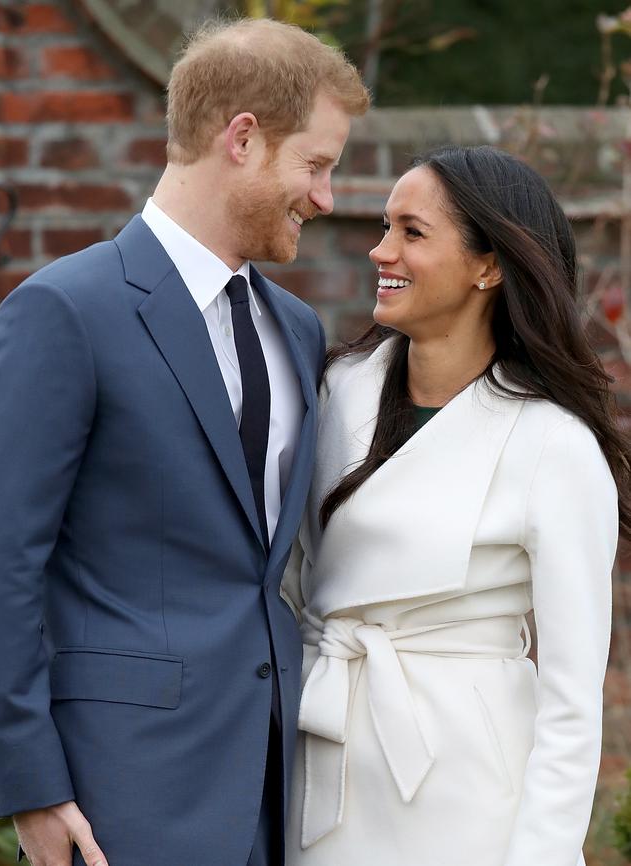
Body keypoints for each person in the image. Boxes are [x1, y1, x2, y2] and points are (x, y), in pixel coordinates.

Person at [0, 17, 369, 866]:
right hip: (118, 794)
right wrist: (31, 786)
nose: (327, 198)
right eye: (316, 164)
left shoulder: (296, 329)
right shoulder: (64, 312)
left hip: (274, 792)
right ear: (242, 140)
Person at [282, 145, 630, 866]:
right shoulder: (332, 389)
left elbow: (571, 709)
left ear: (488, 265)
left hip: (470, 800)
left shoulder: (553, 446)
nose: (381, 250)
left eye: (412, 232)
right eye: (386, 226)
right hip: (322, 767)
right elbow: (286, 581)